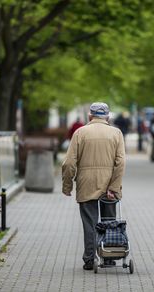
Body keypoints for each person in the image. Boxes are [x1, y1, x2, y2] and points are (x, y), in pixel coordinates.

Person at [62, 102, 126, 270]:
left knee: (89, 224)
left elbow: (69, 163)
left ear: (90, 116)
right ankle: (109, 258)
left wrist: (67, 186)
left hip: (86, 184)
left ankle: (89, 260)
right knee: (109, 222)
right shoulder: (116, 133)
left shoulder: (80, 133)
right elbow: (121, 163)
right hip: (109, 188)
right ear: (108, 117)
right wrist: (114, 187)